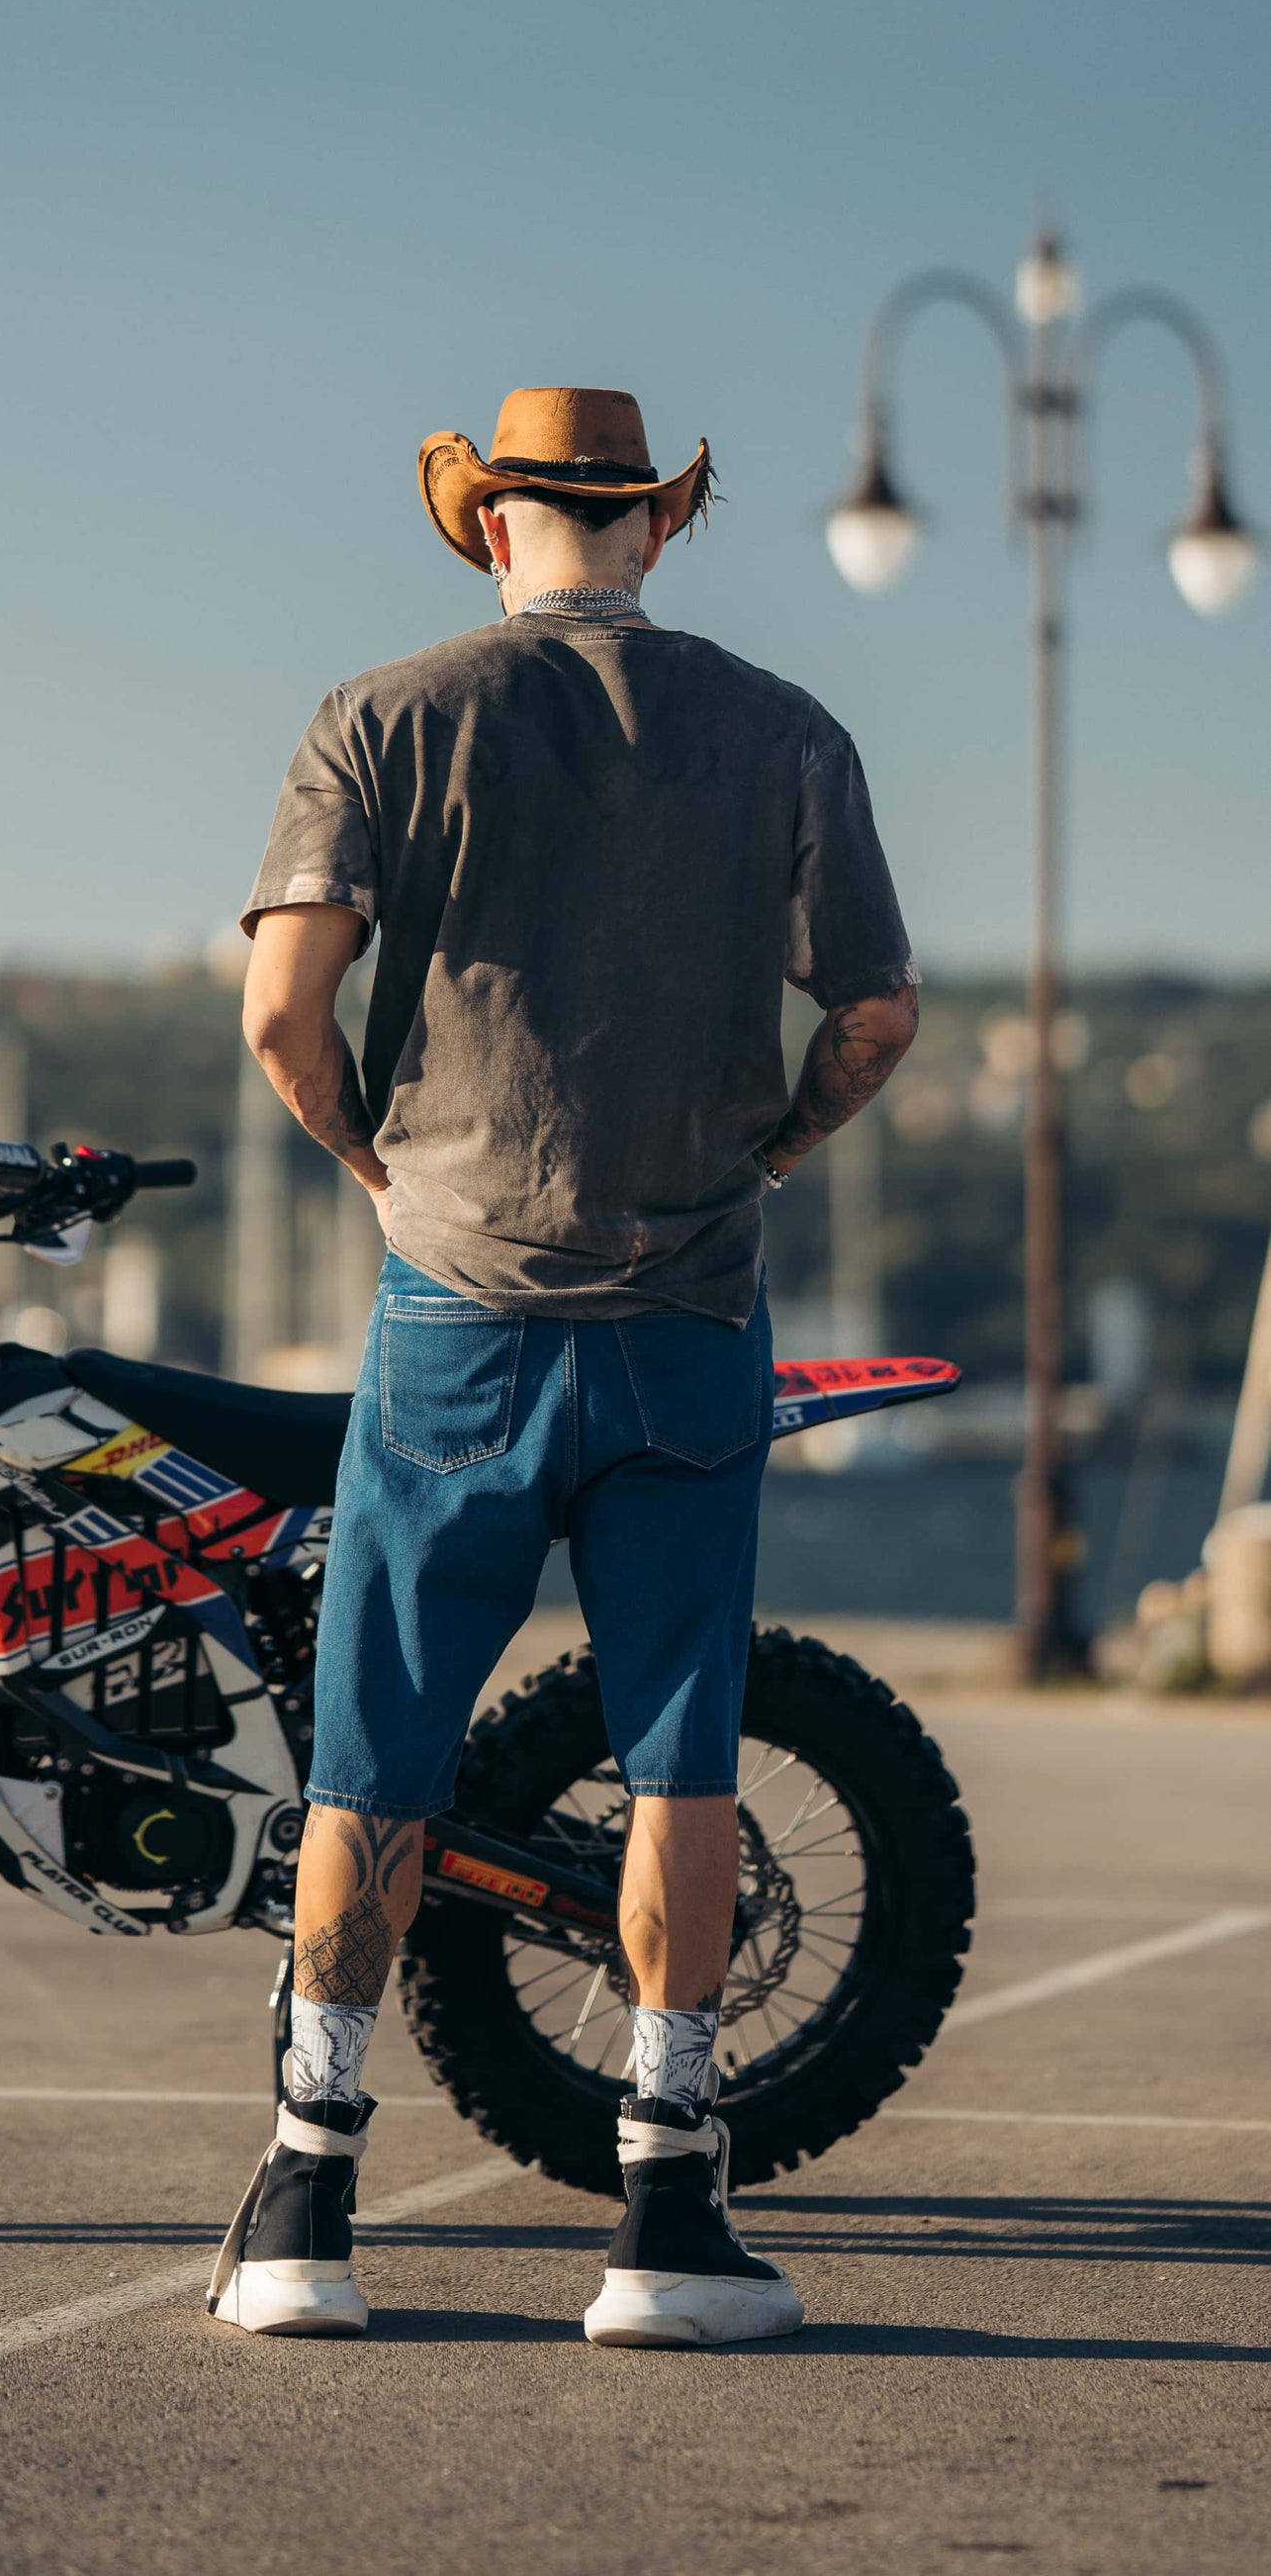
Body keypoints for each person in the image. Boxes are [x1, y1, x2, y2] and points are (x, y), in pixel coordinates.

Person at [207, 385, 917, 2349]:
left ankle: (304, 2194)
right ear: (655, 527)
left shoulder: (383, 711)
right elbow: (869, 1013)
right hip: (686, 1311)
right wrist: (762, 1148)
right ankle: (666, 2208)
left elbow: (281, 1003)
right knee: (684, 1743)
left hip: (456, 1302)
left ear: (487, 525)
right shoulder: (784, 727)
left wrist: (374, 1156)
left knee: (380, 1733)